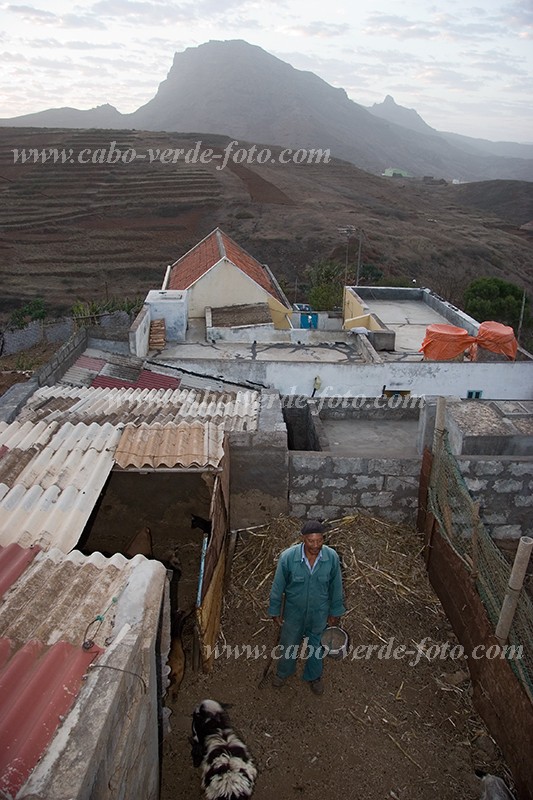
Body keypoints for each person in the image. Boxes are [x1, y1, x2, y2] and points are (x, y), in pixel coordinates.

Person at [267, 520, 345, 695]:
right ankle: (283, 672)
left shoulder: (331, 557)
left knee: (317, 645)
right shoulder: (288, 557)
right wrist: (274, 610)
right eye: (311, 541)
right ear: (303, 539)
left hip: (320, 611)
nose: (316, 545)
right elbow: (278, 586)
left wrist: (335, 611)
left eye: (319, 540)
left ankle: (314, 676)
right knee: (289, 642)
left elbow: (336, 586)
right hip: (294, 611)